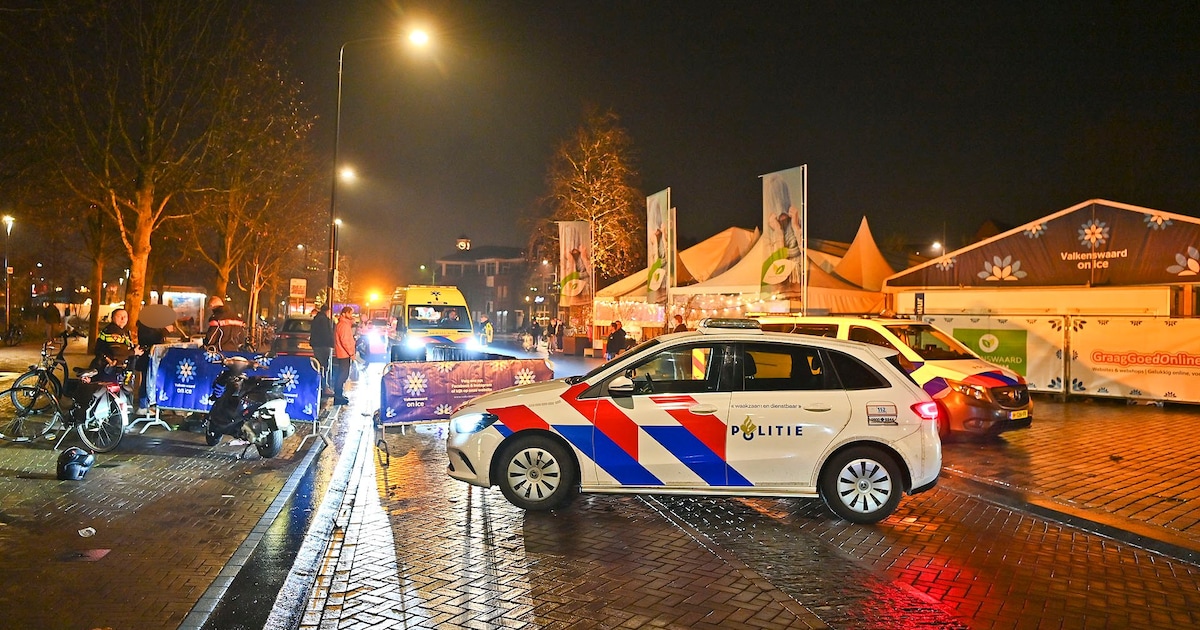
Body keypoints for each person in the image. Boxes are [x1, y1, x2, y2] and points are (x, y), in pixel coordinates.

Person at [92, 308, 142, 380]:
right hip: (109, 368)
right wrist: (134, 352)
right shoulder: (113, 331)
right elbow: (116, 352)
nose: (123, 319)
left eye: (125, 316)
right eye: (119, 316)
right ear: (112, 318)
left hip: (112, 367)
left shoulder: (122, 331)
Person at [332, 306, 355, 405]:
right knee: (343, 374)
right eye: (350, 313)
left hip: (343, 352)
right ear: (345, 313)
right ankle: (338, 396)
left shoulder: (343, 324)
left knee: (342, 374)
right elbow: (345, 341)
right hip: (344, 353)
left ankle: (339, 395)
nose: (351, 315)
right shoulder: (344, 325)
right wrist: (351, 353)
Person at [310, 304, 334, 395]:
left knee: (319, 366)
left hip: (317, 345)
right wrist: (331, 343)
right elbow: (326, 334)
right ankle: (324, 387)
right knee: (324, 366)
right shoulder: (324, 320)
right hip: (323, 345)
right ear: (327, 311)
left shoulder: (316, 318)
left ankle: (321, 386)